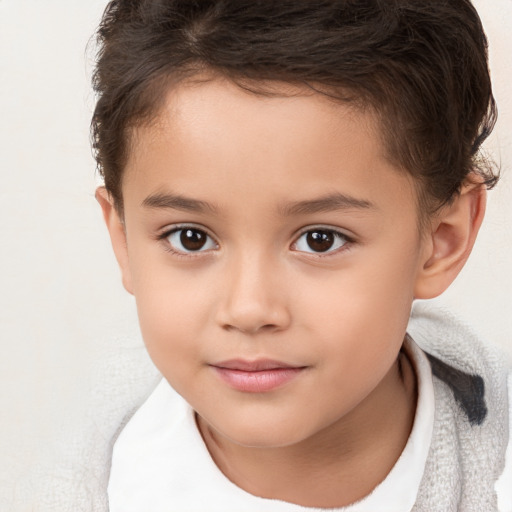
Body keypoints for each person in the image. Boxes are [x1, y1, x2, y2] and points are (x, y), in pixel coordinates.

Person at [91, 0, 511, 510]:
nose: (249, 309)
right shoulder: (86, 479)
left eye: (320, 239)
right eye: (191, 238)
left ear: (441, 240)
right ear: (124, 240)